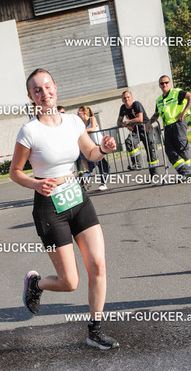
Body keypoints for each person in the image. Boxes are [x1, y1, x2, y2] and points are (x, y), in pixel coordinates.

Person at [10, 69, 119, 350]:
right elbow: (15, 172)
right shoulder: (29, 131)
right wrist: (36, 184)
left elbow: (91, 153)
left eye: (48, 87)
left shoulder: (73, 122)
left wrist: (103, 149)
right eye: (37, 90)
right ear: (31, 97)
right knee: (70, 282)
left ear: (55, 88)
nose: (44, 93)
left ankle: (95, 331)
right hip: (49, 206)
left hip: (76, 196)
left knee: (98, 264)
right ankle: (36, 284)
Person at [145, 76, 191, 177]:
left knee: (181, 148)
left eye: (166, 82)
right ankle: (185, 171)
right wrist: (149, 123)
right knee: (169, 150)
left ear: (170, 83)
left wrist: (184, 112)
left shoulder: (177, 92)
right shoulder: (159, 100)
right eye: (162, 83)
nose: (164, 85)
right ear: (159, 85)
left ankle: (188, 171)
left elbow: (190, 97)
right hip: (168, 127)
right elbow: (157, 114)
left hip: (178, 123)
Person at [117, 90, 159, 177]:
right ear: (122, 100)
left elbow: (140, 119)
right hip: (136, 131)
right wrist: (125, 125)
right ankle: (137, 163)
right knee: (129, 141)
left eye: (128, 97)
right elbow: (119, 122)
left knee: (151, 151)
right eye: (124, 98)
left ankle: (154, 175)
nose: (126, 99)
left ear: (131, 98)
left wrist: (128, 122)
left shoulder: (136, 104)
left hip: (146, 128)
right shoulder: (123, 108)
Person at [77, 105, 110, 191]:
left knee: (101, 165)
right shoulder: (81, 123)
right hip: (91, 146)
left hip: (98, 144)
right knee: (96, 165)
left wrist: (81, 131)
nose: (77, 114)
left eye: (79, 112)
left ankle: (101, 183)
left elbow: (92, 128)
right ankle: (84, 181)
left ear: (84, 112)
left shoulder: (92, 119)